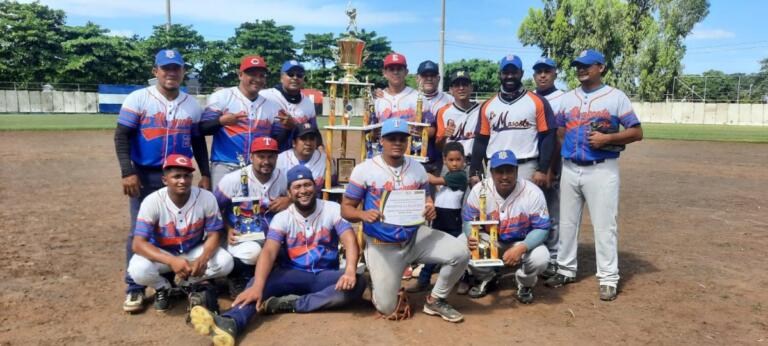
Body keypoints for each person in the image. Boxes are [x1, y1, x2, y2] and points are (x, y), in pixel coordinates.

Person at [190, 165, 365, 346]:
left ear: (315, 187)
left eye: (307, 185)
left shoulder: (332, 209)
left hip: (325, 275)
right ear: (289, 192)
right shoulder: (283, 217)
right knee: (256, 285)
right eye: (297, 187)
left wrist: (350, 270)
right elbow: (269, 251)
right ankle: (230, 322)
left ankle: (291, 304)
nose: (303, 191)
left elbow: (349, 240)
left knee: (358, 283)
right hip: (292, 274)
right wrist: (258, 285)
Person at [341, 118, 470, 323]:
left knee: (461, 253)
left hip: (414, 236)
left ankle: (435, 300)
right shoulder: (365, 169)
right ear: (381, 140)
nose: (398, 143)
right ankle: (379, 282)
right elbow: (345, 209)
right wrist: (363, 215)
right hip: (382, 244)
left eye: (402, 138)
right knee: (387, 308)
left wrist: (429, 207)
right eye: (392, 138)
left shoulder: (417, 168)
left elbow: (426, 197)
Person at [114, 49, 211, 312]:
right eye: (166, 68)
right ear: (155, 71)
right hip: (146, 174)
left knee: (181, 226)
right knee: (140, 230)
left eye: (176, 68)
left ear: (182, 72)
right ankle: (134, 288)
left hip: (181, 175)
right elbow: (121, 135)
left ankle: (174, 280)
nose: (171, 73)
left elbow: (198, 141)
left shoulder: (191, 103)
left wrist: (206, 174)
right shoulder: (138, 99)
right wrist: (127, 171)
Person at [544, 49, 643, 301]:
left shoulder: (615, 97)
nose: (581, 69)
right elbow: (559, 133)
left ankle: (609, 277)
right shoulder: (568, 98)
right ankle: (566, 269)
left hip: (602, 169)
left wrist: (608, 138)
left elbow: (636, 132)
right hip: (570, 167)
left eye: (587, 65)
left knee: (604, 225)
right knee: (567, 223)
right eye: (578, 65)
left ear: (601, 67)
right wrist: (555, 166)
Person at [127, 154, 233, 312]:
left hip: (193, 250)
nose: (182, 181)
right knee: (137, 269)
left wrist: (203, 259)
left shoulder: (206, 197)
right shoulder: (152, 201)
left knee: (226, 262)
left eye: (187, 176)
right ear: (165, 180)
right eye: (176, 176)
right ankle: (162, 287)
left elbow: (214, 234)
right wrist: (171, 261)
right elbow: (138, 244)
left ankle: (186, 284)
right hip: (162, 254)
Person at [463, 150, 550, 303]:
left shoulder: (532, 193)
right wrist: (471, 235)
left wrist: (521, 248)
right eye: (499, 171)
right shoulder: (479, 189)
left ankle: (524, 283)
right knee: (462, 246)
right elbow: (468, 220)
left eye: (509, 171)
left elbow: (542, 228)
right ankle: (487, 277)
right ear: (491, 172)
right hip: (490, 240)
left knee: (540, 258)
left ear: (517, 171)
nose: (504, 176)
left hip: (521, 242)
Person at [214, 137, 291, 297]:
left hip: (273, 236)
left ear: (277, 157)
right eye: (261, 156)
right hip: (241, 237)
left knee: (289, 255)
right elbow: (212, 210)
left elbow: (297, 201)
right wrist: (227, 229)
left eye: (271, 156)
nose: (266, 161)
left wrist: (289, 200)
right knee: (253, 252)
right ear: (251, 157)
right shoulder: (232, 179)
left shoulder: (282, 177)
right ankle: (237, 276)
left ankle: (261, 277)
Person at [470, 54, 557, 190]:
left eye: (514, 72)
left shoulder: (538, 101)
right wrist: (474, 171)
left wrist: (543, 169)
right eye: (506, 72)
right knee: (494, 210)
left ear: (521, 73)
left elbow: (548, 137)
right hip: (495, 167)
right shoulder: (488, 105)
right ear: (500, 74)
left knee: (526, 210)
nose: (510, 76)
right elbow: (481, 140)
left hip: (526, 166)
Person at [200, 55, 288, 188]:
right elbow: (202, 129)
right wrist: (220, 121)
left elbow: (276, 141)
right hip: (225, 165)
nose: (257, 79)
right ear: (240, 75)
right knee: (222, 206)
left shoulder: (273, 106)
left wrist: (287, 127)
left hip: (255, 169)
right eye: (251, 74)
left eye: (261, 75)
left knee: (253, 207)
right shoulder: (222, 97)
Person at [405, 142, 469, 294]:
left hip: (453, 222)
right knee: (433, 252)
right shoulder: (447, 175)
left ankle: (464, 280)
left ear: (464, 160)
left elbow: (433, 181)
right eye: (451, 160)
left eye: (458, 159)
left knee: (459, 251)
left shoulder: (460, 176)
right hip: (439, 219)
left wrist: (419, 171)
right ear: (444, 160)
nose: (454, 163)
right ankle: (423, 281)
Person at [532, 57, 566, 278]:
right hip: (532, 161)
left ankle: (553, 257)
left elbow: (560, 137)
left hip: (551, 163)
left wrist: (551, 169)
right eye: (539, 72)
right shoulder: (529, 98)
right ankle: (533, 253)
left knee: (552, 211)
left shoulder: (563, 98)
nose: (543, 75)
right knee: (531, 210)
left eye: (547, 71)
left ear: (555, 73)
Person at [260, 60, 321, 152]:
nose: (295, 78)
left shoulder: (308, 102)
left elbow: (314, 132)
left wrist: (321, 150)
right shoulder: (265, 96)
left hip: (297, 156)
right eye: (290, 74)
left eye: (299, 75)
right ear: (281, 78)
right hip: (269, 155)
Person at [435, 70, 479, 170]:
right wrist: (444, 136)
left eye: (465, 84)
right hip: (451, 164)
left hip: (474, 162)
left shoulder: (481, 110)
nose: (461, 88)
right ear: (451, 90)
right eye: (457, 85)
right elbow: (438, 146)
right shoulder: (443, 111)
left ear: (471, 88)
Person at [275, 122, 328, 192]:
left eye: (312, 139)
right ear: (294, 143)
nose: (308, 143)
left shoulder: (325, 160)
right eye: (303, 139)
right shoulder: (280, 160)